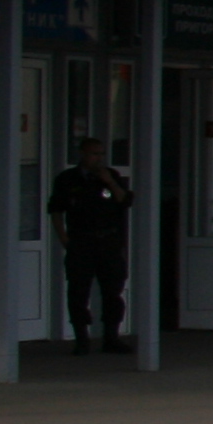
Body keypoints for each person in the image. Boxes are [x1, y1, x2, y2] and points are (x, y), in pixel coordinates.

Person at [46, 136, 133, 354]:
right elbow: (56, 210)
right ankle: (81, 339)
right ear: (83, 154)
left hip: (108, 241)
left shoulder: (110, 176)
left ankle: (111, 337)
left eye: (101, 154)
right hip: (81, 241)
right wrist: (64, 238)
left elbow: (125, 201)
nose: (99, 158)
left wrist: (110, 182)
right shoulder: (68, 179)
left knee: (113, 290)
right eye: (94, 154)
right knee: (78, 291)